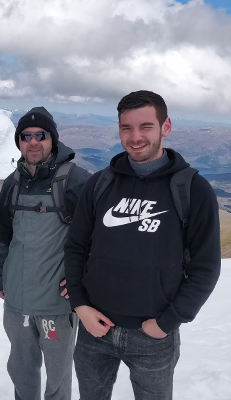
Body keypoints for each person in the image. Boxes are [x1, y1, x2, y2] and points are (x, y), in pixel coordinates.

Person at [65, 90, 221, 400]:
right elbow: (76, 247)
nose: (135, 137)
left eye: (146, 126)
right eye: (126, 128)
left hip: (153, 336)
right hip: (95, 329)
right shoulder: (100, 183)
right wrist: (80, 306)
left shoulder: (193, 189)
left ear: (166, 127)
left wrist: (167, 323)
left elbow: (206, 267)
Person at [0, 106, 90, 400]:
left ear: (53, 139)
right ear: (18, 141)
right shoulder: (12, 183)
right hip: (17, 300)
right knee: (21, 371)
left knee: (58, 377)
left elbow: (98, 239)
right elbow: (6, 236)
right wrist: (0, 278)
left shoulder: (75, 181)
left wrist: (82, 279)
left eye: (40, 135)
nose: (33, 142)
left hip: (57, 306)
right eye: (26, 136)